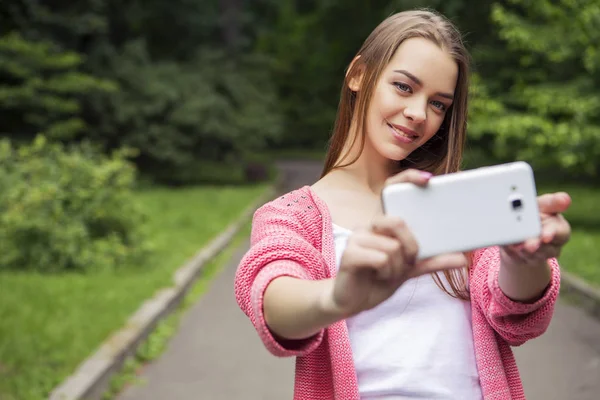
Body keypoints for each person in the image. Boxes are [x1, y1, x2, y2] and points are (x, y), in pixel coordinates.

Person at [234, 8, 572, 400]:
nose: (418, 114)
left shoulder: (458, 203)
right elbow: (275, 304)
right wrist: (338, 297)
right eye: (404, 87)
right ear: (359, 74)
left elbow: (519, 318)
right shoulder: (291, 216)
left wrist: (523, 259)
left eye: (438, 104)